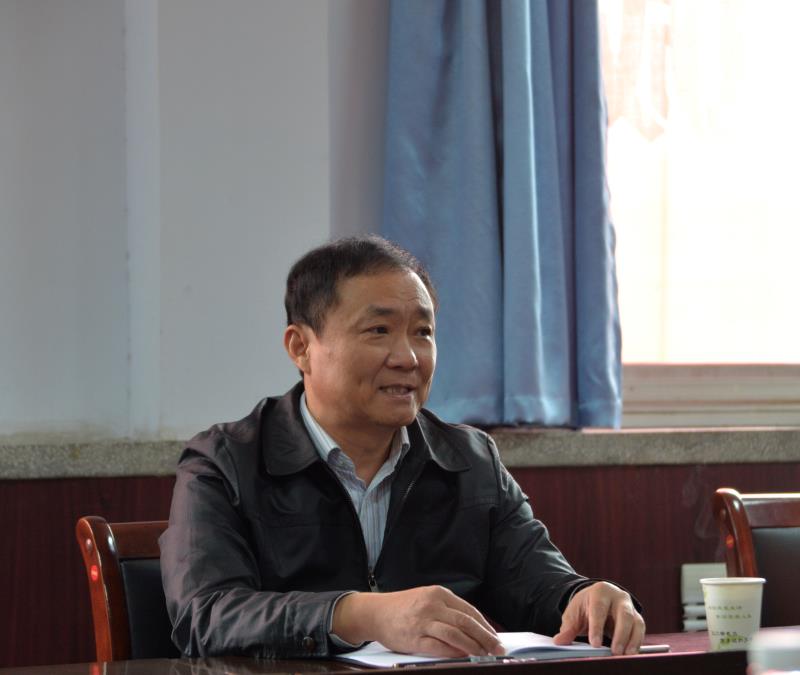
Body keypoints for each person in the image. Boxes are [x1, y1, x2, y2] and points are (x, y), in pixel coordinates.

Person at [160, 235, 645, 660]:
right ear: (300, 347)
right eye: (379, 331)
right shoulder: (224, 463)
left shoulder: (469, 460)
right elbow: (206, 616)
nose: (408, 357)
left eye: (423, 332)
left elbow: (537, 581)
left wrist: (583, 597)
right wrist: (363, 614)